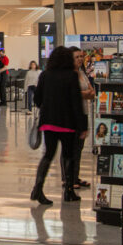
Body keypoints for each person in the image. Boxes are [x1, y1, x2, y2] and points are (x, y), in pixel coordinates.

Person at [30, 46, 88, 205]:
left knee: (48, 154)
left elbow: (37, 99)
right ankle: (69, 191)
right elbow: (76, 103)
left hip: (48, 123)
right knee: (68, 155)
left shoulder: (45, 75)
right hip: (67, 123)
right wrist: (83, 126)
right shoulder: (71, 76)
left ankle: (38, 188)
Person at [65, 46, 96, 190]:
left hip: (84, 113)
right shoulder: (67, 74)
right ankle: (68, 178)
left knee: (79, 147)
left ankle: (75, 176)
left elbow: (92, 92)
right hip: (71, 115)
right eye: (76, 57)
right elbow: (71, 93)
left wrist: (82, 93)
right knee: (70, 147)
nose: (79, 59)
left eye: (80, 57)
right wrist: (84, 93)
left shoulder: (82, 73)